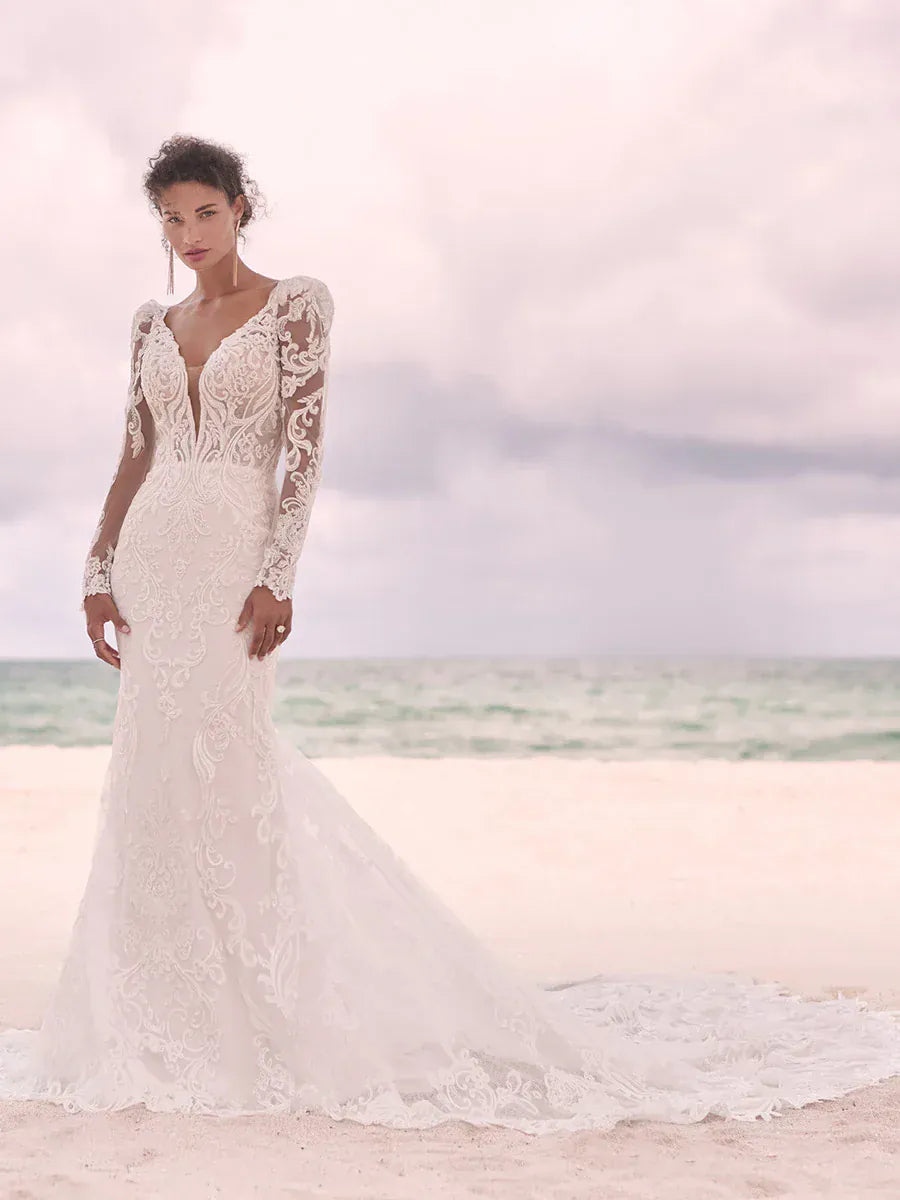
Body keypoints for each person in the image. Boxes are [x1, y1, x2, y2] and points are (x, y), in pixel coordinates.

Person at [2, 135, 900, 1135]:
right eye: (171, 218)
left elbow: (304, 446)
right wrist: (94, 571)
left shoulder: (297, 304)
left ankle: (264, 1009)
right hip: (156, 558)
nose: (189, 234)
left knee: (230, 768)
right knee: (152, 777)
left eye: (205, 211)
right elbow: (133, 453)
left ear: (241, 206)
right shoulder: (150, 324)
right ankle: (154, 1012)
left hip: (231, 562)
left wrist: (277, 574)